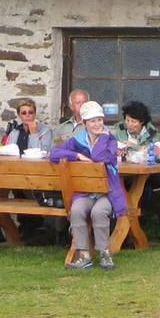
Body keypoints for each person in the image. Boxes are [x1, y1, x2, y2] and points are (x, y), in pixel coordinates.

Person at [49, 101, 126, 270]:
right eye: (92, 121)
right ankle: (84, 254)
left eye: (100, 120)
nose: (97, 124)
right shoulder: (78, 141)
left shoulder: (110, 140)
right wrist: (77, 155)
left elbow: (99, 157)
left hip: (107, 192)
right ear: (84, 123)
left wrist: (104, 136)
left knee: (99, 212)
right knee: (76, 210)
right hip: (85, 192)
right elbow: (53, 153)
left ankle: (104, 253)